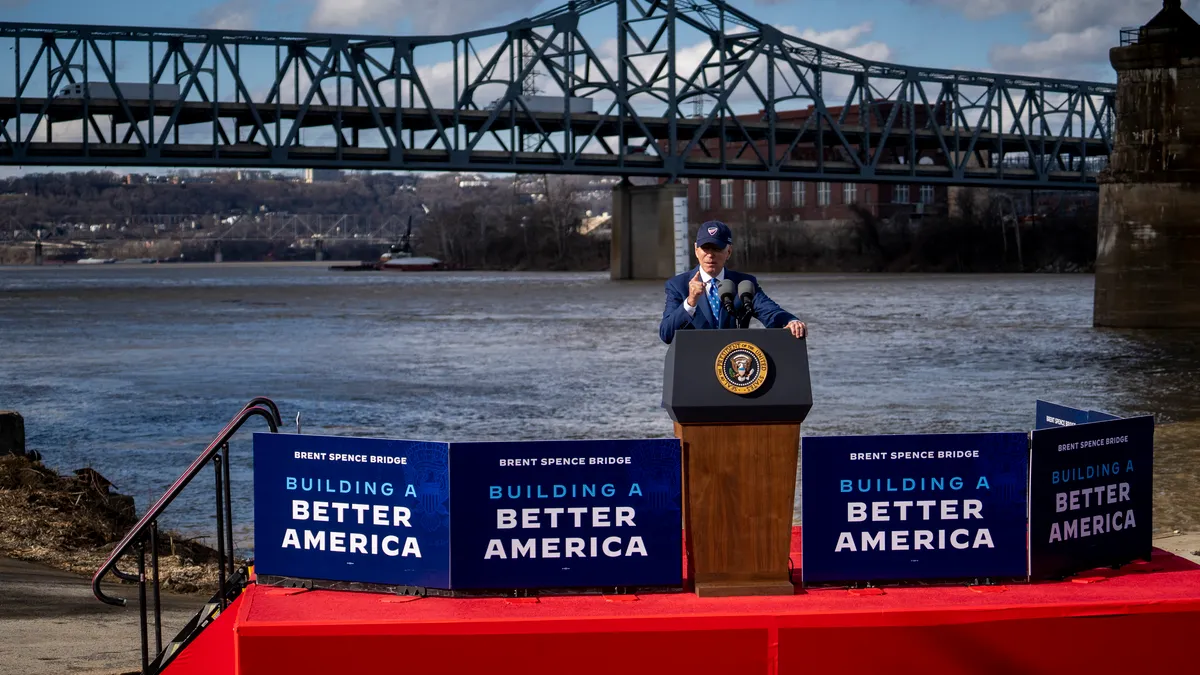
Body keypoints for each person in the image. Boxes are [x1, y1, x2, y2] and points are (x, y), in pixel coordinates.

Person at [659, 221, 807, 344]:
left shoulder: (744, 284)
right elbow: (666, 334)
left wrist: (791, 321)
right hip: (696, 368)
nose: (710, 255)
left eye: (717, 248)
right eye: (706, 248)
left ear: (728, 252)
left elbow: (770, 311)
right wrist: (690, 302)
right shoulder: (678, 286)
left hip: (734, 370)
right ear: (696, 250)